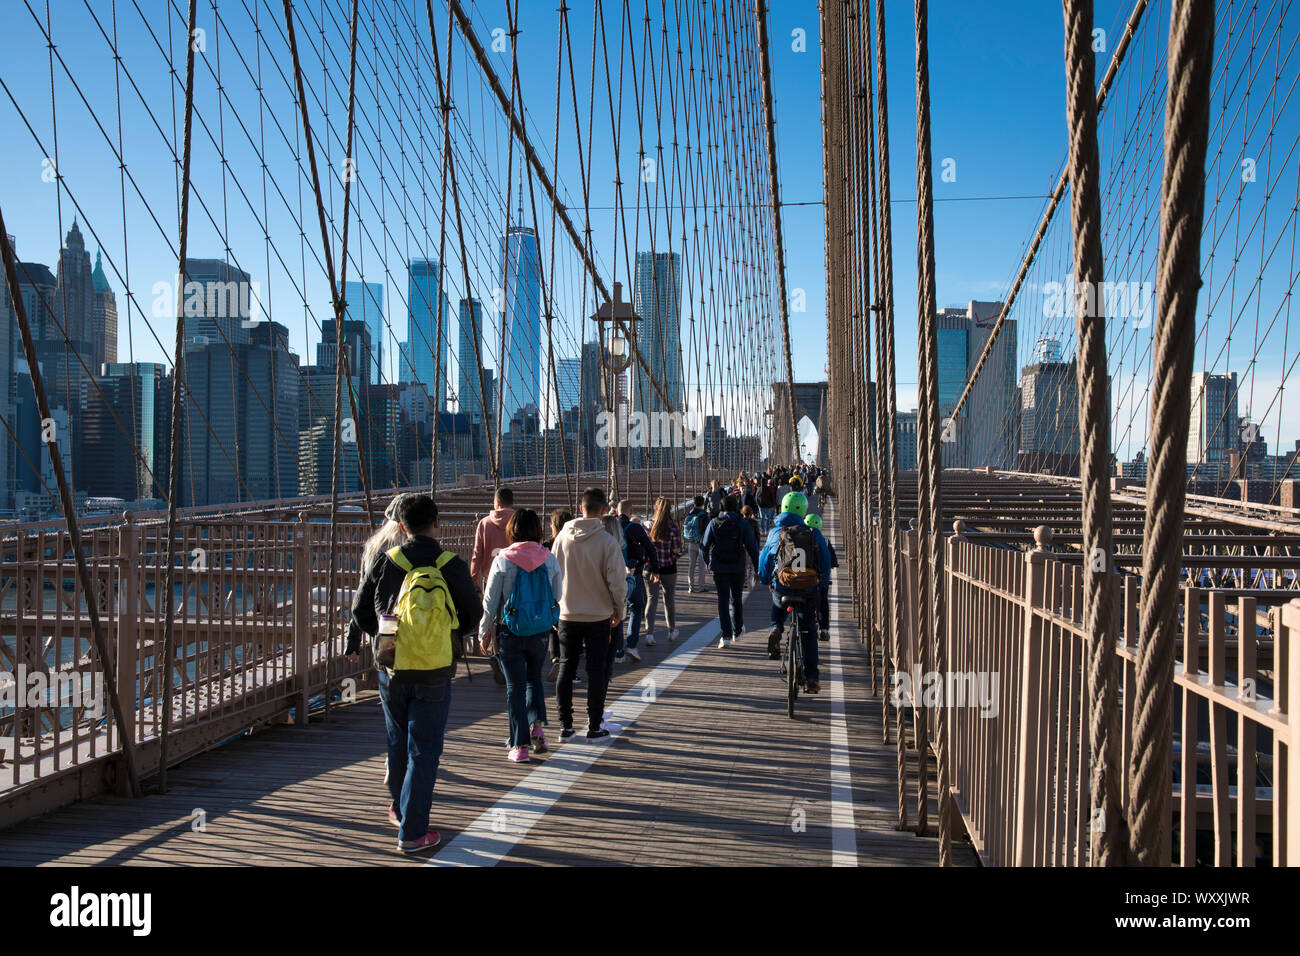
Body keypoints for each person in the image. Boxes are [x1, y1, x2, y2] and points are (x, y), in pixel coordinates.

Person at [347, 494, 481, 853]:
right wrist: (445, 635)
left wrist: (385, 634)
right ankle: (413, 830)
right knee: (425, 748)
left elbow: (360, 612)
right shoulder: (451, 564)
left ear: (402, 527)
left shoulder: (386, 561)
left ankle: (399, 807)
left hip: (392, 664)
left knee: (397, 738)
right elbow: (472, 613)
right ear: (437, 523)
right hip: (436, 667)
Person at [479, 508, 562, 763]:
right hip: (540, 631)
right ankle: (537, 727)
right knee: (534, 679)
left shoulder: (503, 559)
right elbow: (557, 595)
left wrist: (484, 630)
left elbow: (491, 600)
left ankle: (519, 745)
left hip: (509, 630)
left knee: (514, 687)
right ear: (537, 530)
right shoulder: (548, 558)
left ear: (512, 530)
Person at [550, 487, 626, 740]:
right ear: (604, 510)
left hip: (567, 614)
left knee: (566, 669)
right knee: (596, 670)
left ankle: (565, 726)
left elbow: (552, 575)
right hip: (598, 615)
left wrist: (554, 607)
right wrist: (619, 608)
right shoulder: (607, 541)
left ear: (580, 508)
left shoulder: (561, 538)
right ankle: (594, 726)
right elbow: (617, 581)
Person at [758, 491, 831, 694]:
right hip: (808, 588)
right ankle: (812, 679)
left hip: (783, 586)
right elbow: (824, 563)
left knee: (778, 601)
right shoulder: (813, 533)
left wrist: (765, 579)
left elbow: (764, 561)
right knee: (807, 630)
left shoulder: (775, 533)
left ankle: (776, 629)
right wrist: (822, 584)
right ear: (804, 510)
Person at [701, 494, 760, 649]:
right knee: (736, 599)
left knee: (722, 600)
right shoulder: (743, 523)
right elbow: (752, 547)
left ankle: (725, 635)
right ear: (736, 507)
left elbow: (704, 547)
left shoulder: (714, 523)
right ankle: (738, 630)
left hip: (719, 567)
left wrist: (708, 562)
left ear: (721, 507)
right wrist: (757, 568)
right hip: (738, 566)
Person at [471, 487, 516, 685]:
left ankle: (496, 654)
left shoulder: (484, 523)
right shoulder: (518, 521)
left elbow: (477, 553)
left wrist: (473, 578)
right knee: (512, 615)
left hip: (490, 577)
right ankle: (512, 656)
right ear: (511, 503)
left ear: (496, 502)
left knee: (494, 616)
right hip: (516, 576)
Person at [617, 499, 660, 663]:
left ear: (616, 512)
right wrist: (655, 569)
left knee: (618, 609)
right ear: (630, 512)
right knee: (636, 607)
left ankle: (618, 651)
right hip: (633, 573)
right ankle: (632, 645)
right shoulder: (635, 527)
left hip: (613, 574)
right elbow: (650, 548)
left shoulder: (610, 527)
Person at [645, 496, 682, 644]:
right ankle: (671, 630)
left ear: (655, 508)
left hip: (650, 568)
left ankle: (649, 634)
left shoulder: (648, 526)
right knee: (669, 600)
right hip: (669, 568)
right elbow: (676, 549)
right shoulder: (674, 527)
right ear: (670, 510)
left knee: (651, 599)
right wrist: (673, 555)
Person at [543, 508, 573, 682]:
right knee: (569, 628)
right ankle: (567, 662)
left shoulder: (547, 545)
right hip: (570, 591)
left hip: (551, 591)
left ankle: (555, 659)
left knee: (553, 627)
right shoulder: (574, 543)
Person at [804, 512, 837, 642]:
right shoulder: (825, 541)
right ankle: (824, 629)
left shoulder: (800, 538)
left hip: (804, 577)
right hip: (819, 579)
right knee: (823, 601)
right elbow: (832, 561)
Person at [681, 494, 710, 593]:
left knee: (691, 565)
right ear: (703, 503)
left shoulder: (689, 514)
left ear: (694, 503)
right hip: (701, 543)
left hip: (691, 542)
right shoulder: (704, 515)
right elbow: (707, 531)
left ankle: (691, 587)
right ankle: (701, 587)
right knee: (701, 567)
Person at [740, 504, 763, 591]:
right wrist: (758, 545)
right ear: (751, 513)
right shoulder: (754, 523)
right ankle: (749, 581)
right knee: (752, 565)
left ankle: (744, 580)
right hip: (752, 545)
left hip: (743, 546)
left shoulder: (740, 522)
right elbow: (757, 535)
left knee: (744, 565)